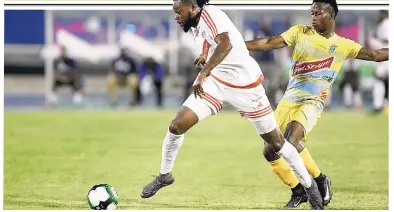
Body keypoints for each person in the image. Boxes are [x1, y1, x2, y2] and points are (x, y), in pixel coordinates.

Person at [140, 0, 324, 209]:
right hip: (217, 83)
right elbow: (210, 38)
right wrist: (204, 54)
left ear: (192, 6)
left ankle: (310, 188)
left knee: (277, 144)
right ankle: (165, 175)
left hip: (246, 87)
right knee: (176, 125)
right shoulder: (196, 20)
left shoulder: (210, 14)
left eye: (178, 11)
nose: (176, 15)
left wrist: (202, 73)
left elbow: (225, 43)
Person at [245, 0, 389, 208]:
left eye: (318, 13)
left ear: (330, 16)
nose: (313, 17)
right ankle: (298, 190)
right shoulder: (299, 32)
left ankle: (319, 180)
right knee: (269, 151)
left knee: (291, 140)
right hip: (288, 100)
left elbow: (375, 55)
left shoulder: (343, 45)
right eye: (311, 13)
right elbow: (268, 42)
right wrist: (240, 45)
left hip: (312, 102)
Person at [368, 10, 389, 114]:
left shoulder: (386, 23)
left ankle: (378, 107)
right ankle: (383, 106)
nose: (379, 16)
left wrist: (373, 40)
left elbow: (386, 41)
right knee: (384, 82)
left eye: (380, 14)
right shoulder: (384, 24)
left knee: (379, 79)